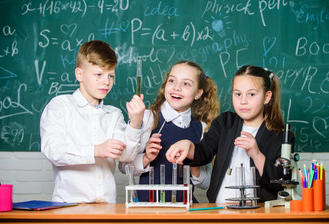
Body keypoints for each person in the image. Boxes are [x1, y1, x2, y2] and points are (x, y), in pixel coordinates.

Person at [166, 65, 294, 203]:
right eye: (238, 94)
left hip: (257, 215)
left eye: (251, 94)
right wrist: (189, 146)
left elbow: (281, 183)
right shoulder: (225, 123)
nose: (243, 101)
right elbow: (205, 150)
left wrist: (257, 155)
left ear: (267, 97)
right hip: (220, 212)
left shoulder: (281, 137)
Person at [40, 40, 145, 203]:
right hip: (68, 208)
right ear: (79, 74)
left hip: (106, 208)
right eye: (98, 75)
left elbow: (126, 156)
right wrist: (95, 150)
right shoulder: (60, 106)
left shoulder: (114, 114)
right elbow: (53, 150)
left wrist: (136, 123)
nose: (106, 82)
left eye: (111, 76)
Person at [120, 60, 220, 203]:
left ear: (198, 93)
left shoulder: (201, 128)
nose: (176, 87)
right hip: (148, 209)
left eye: (186, 83)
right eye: (172, 80)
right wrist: (146, 158)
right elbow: (124, 167)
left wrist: (193, 159)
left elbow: (205, 183)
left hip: (185, 210)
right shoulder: (148, 118)